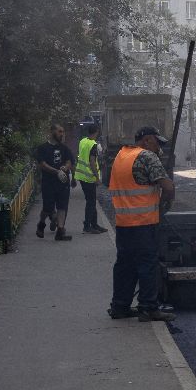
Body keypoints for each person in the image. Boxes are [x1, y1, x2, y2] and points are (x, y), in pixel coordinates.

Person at [103, 126, 177, 322]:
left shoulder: (121, 156)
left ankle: (120, 307)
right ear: (146, 140)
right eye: (156, 142)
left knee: (125, 265)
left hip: (123, 223)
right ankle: (148, 308)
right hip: (144, 223)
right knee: (147, 265)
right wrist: (166, 202)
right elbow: (167, 186)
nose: (158, 147)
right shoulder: (147, 156)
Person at [32, 122, 74, 241]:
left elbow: (69, 161)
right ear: (52, 132)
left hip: (62, 183)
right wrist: (57, 172)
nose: (62, 134)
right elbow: (43, 164)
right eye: (60, 131)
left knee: (62, 207)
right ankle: (41, 223)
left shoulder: (64, 148)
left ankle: (60, 231)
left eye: (63, 132)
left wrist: (65, 168)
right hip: (48, 183)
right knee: (47, 208)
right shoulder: (43, 148)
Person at [75, 122, 105, 233]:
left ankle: (95, 224)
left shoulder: (83, 141)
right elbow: (92, 162)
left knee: (92, 201)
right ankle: (87, 226)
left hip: (82, 175)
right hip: (89, 177)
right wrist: (97, 178)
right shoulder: (93, 144)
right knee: (91, 202)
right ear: (96, 132)